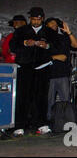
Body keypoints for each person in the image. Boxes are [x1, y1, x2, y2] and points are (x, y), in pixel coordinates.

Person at [9, 7, 54, 136]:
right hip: (25, 66)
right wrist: (25, 43)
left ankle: (41, 124)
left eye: (38, 19)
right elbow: (13, 46)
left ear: (42, 18)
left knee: (41, 97)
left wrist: (47, 46)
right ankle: (19, 126)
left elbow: (57, 46)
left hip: (42, 67)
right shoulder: (21, 31)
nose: (35, 21)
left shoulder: (49, 32)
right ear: (30, 19)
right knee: (23, 97)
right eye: (33, 19)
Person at [44, 18, 75, 123]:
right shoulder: (45, 39)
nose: (52, 25)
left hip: (62, 72)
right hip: (49, 73)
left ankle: (66, 122)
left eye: (54, 23)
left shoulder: (63, 37)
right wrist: (54, 57)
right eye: (50, 24)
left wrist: (69, 32)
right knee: (49, 100)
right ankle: (49, 122)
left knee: (65, 99)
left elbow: (76, 45)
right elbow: (42, 55)